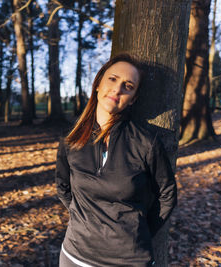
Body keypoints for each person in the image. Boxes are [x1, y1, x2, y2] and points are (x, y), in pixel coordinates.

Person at [55, 53, 177, 267]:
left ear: (134, 98)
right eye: (112, 79)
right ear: (98, 84)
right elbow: (63, 186)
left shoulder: (146, 144)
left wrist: (139, 232)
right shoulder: (71, 139)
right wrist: (84, 219)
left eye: (128, 86)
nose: (118, 88)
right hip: (74, 256)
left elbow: (167, 195)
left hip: (129, 260)